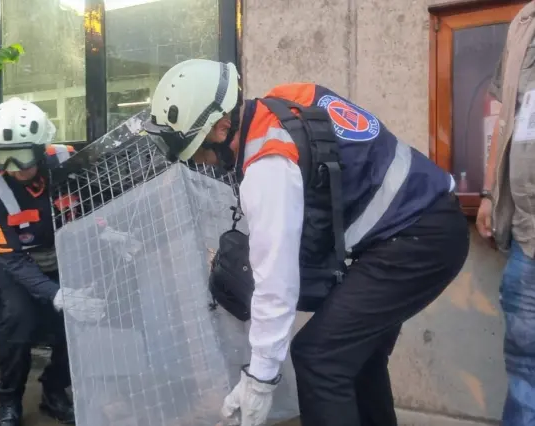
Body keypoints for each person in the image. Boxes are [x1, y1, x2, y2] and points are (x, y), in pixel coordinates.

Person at [143, 59, 470, 426]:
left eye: (199, 152)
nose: (203, 163)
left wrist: (260, 381)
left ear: (221, 127)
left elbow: (276, 286)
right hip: (424, 226)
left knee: (320, 359)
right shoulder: (286, 100)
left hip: (417, 239)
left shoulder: (268, 166)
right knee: (355, 357)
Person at [0, 97, 105, 426]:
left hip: (65, 253)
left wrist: (108, 230)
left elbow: (95, 201)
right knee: (17, 323)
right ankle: (9, 400)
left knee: (78, 322)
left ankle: (55, 391)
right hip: (17, 266)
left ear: (42, 146)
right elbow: (11, 258)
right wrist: (55, 294)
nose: (15, 167)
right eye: (4, 158)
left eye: (24, 156)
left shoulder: (68, 161)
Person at [476, 3, 535, 424]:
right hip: (528, 238)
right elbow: (503, 116)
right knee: (524, 372)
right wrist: (485, 194)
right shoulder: (524, 22)